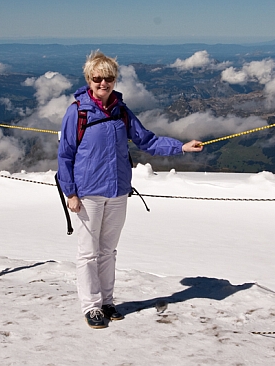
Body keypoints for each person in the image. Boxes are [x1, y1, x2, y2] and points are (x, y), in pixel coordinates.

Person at [57, 50, 203, 329]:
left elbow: (146, 140)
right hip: (88, 193)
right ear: (89, 79)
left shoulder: (121, 111)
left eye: (108, 78)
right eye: (98, 78)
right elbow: (65, 155)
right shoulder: (77, 112)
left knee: (108, 251)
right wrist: (71, 193)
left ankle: (107, 302)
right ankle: (91, 306)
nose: (103, 83)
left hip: (118, 191)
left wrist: (181, 147)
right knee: (88, 252)